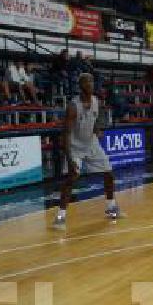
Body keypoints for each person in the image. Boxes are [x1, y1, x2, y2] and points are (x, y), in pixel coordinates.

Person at [53, 73, 122, 230]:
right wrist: (70, 159)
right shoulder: (73, 106)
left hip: (91, 143)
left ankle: (111, 208)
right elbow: (66, 134)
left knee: (109, 174)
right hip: (75, 146)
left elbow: (94, 119)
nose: (91, 83)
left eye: (92, 80)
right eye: (87, 81)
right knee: (72, 178)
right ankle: (59, 217)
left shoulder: (96, 101)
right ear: (81, 85)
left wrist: (97, 129)